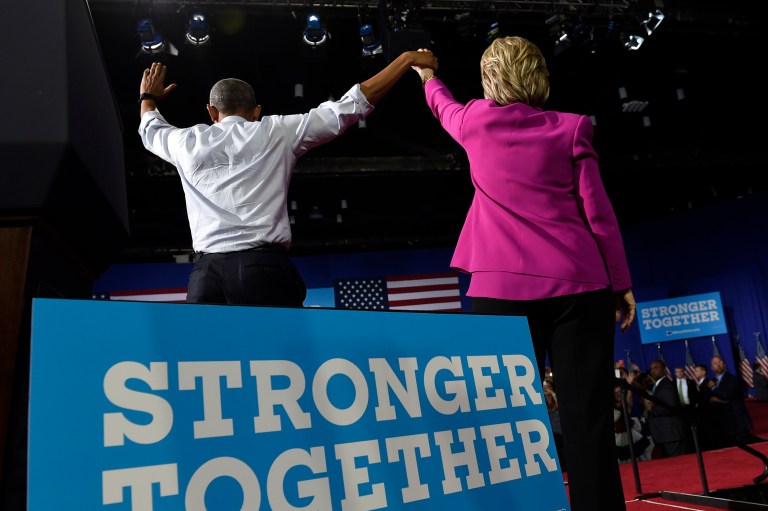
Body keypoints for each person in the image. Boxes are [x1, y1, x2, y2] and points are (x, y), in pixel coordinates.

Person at [410, 37, 636, 511]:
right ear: (539, 76)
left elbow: (442, 105)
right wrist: (621, 283)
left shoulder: (473, 121)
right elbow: (599, 214)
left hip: (499, 292)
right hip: (578, 285)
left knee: (507, 420)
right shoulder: (572, 128)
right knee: (586, 417)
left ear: (489, 78)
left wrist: (428, 75)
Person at [138, 52, 438, 306]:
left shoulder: (186, 142)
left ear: (211, 111)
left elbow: (150, 129)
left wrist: (148, 97)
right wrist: (406, 59)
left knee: (209, 368)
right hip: (264, 271)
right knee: (281, 366)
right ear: (256, 111)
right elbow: (349, 107)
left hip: (206, 278)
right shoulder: (277, 131)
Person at [645, 359, 688, 457]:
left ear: (664, 370)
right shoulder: (659, 385)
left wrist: (652, 409)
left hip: (672, 435)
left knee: (679, 465)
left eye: (656, 368)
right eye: (651, 368)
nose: (653, 370)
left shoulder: (666, 385)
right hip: (665, 435)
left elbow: (671, 407)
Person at [708, 355, 754, 446]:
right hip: (724, 425)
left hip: (738, 423)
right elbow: (709, 399)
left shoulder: (733, 379)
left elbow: (726, 395)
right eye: (715, 363)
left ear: (724, 365)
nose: (718, 365)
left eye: (720, 362)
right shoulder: (711, 381)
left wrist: (713, 388)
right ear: (712, 368)